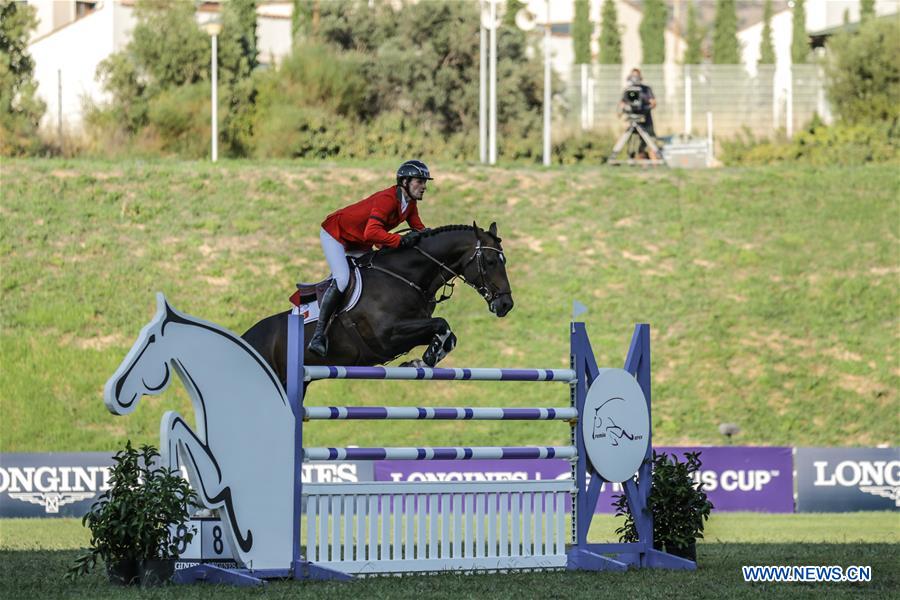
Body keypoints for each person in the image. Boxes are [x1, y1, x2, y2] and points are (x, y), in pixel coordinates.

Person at [307, 159, 432, 357]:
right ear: (405, 182)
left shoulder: (409, 204)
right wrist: (400, 240)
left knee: (376, 273)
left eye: (425, 182)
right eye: (420, 181)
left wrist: (433, 237)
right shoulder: (388, 199)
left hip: (359, 241)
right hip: (337, 234)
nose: (424, 186)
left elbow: (419, 229)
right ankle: (319, 335)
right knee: (342, 279)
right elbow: (372, 232)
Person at [618, 68, 658, 159]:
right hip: (632, 120)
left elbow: (653, 103)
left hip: (646, 120)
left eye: (636, 76)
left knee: (650, 142)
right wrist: (622, 110)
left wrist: (646, 107)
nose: (635, 78)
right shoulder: (628, 90)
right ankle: (633, 159)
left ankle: (655, 162)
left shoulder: (646, 89)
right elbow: (622, 103)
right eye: (633, 76)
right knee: (634, 142)